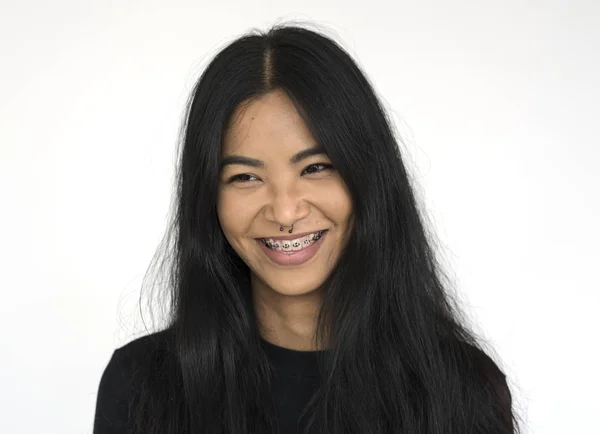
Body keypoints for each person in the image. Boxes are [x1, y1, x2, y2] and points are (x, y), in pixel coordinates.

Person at [93, 23, 518, 434]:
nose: (285, 211)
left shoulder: (463, 391)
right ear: (208, 197)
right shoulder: (143, 388)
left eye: (315, 168)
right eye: (245, 177)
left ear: (367, 177)